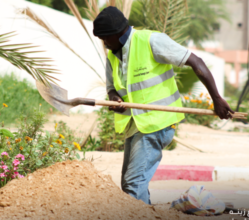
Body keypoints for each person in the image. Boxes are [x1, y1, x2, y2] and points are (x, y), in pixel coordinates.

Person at [92, 6, 234, 205]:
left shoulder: (151, 41)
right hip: (135, 125)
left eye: (104, 38)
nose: (104, 43)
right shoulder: (113, 56)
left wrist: (216, 99)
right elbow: (111, 89)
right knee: (129, 185)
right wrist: (115, 99)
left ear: (117, 33)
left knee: (133, 184)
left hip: (157, 123)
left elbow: (195, 61)